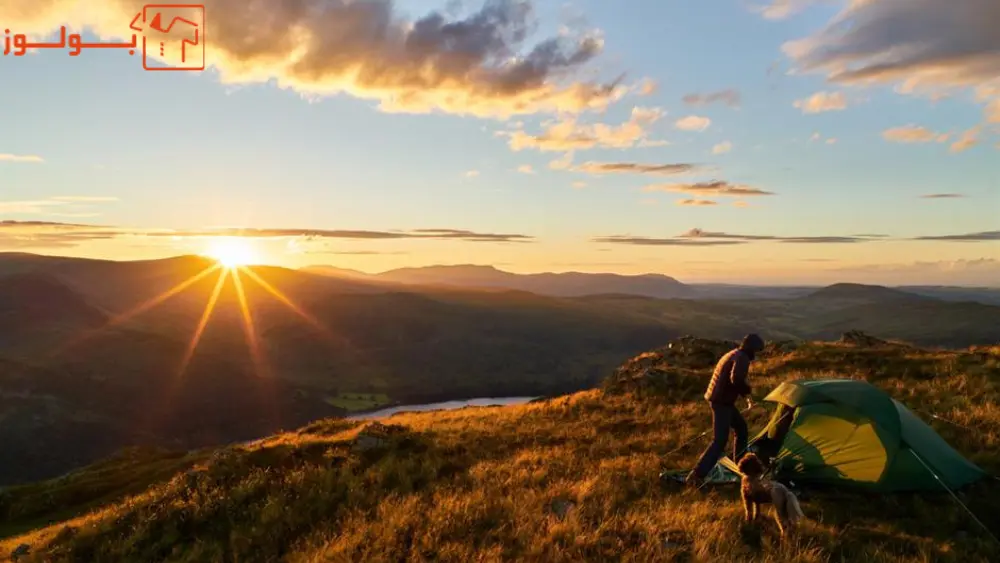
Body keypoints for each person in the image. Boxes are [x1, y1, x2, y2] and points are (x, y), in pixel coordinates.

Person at [685, 333, 765, 488]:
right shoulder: (742, 358)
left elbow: (733, 380)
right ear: (751, 349)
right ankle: (696, 475)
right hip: (721, 402)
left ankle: (741, 465)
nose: (755, 355)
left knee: (741, 428)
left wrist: (744, 395)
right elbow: (736, 379)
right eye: (756, 351)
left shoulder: (734, 353)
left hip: (720, 400)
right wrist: (748, 392)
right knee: (720, 440)